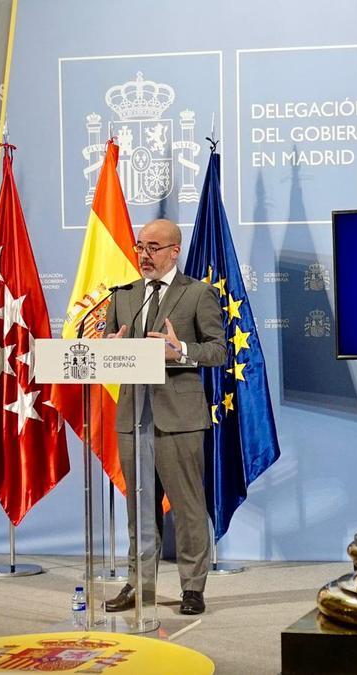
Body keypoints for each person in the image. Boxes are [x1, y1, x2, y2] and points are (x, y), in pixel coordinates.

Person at [102, 218, 226, 615]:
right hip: (133, 416)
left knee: (188, 508)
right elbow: (112, 348)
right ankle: (139, 584)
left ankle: (193, 588)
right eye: (140, 247)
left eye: (153, 247)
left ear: (175, 250)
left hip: (180, 417)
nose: (144, 255)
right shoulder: (123, 296)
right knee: (139, 508)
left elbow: (218, 350)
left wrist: (181, 351)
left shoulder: (198, 293)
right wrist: (107, 350)